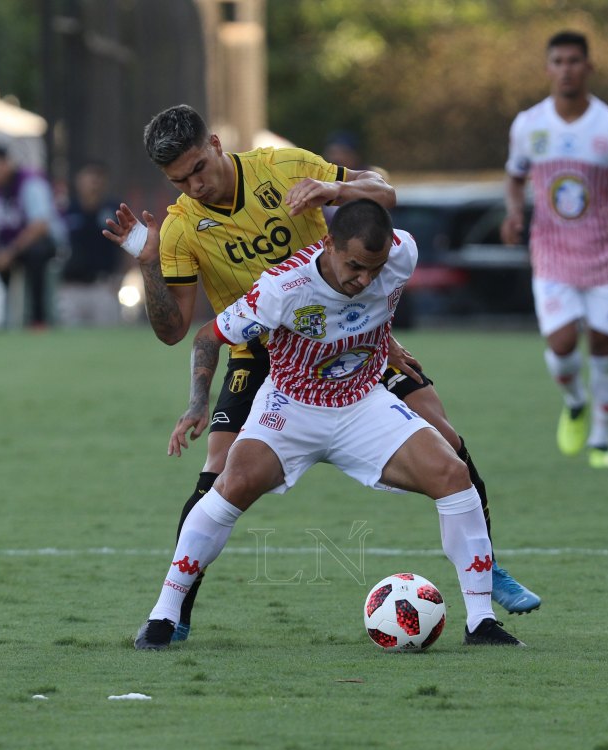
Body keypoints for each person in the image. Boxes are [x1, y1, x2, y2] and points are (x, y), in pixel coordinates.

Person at [105, 104, 539, 643]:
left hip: (354, 342)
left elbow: (381, 196)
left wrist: (334, 191)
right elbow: (177, 330)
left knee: (447, 440)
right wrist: (148, 262)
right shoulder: (182, 229)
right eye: (179, 181)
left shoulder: (284, 168)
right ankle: (175, 614)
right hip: (261, 349)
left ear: (215, 144)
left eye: (198, 169)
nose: (194, 186)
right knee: (220, 472)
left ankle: (484, 573)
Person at [501, 31, 608, 469]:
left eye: (574, 61)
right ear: (548, 68)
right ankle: (574, 402)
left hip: (603, 253)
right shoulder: (529, 124)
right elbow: (515, 175)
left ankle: (602, 441)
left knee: (603, 344)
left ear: (589, 67)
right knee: (562, 343)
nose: (566, 69)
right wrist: (514, 212)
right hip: (551, 253)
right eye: (558, 61)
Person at [0, 143, 62, 329]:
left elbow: (39, 225)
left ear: (7, 163)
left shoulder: (30, 183)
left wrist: (10, 252)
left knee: (36, 254)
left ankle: (38, 318)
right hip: (6, 245)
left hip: (34, 243)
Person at [57, 161, 123, 326]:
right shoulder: (67, 210)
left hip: (103, 284)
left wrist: (120, 278)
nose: (94, 183)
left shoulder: (114, 210)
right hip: (71, 286)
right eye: (89, 178)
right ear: (78, 180)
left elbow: (127, 246)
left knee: (107, 335)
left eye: (98, 178)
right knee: (69, 335)